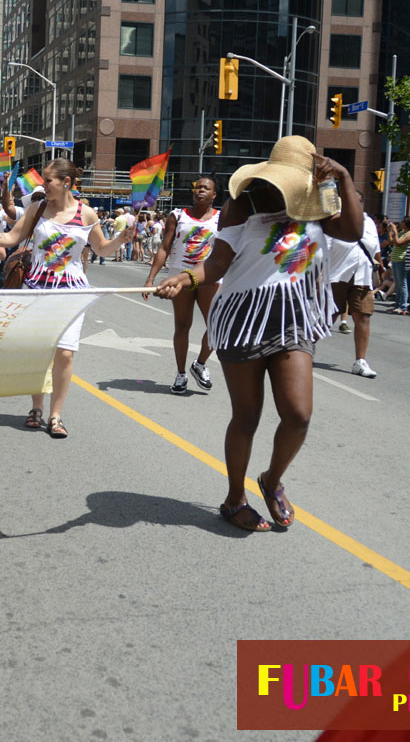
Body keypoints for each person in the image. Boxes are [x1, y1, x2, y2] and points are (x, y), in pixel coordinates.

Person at [154, 137, 362, 532]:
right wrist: (184, 277)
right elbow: (216, 263)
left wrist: (346, 178)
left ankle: (271, 479)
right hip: (243, 320)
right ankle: (234, 498)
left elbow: (351, 232)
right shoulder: (242, 205)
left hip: (294, 321)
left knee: (298, 415)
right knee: (246, 416)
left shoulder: (320, 205)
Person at [0, 158, 137, 439]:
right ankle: (36, 407)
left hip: (71, 292)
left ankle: (56, 415)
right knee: (38, 352)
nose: (44, 185)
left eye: (49, 181)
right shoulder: (38, 208)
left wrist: (121, 240)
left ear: (66, 182)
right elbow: (11, 239)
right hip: (37, 291)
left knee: (65, 354)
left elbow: (102, 249)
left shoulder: (87, 214)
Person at [143, 177, 220, 394]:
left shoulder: (222, 219)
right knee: (182, 326)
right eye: (197, 187)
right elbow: (165, 248)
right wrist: (151, 278)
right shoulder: (177, 215)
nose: (200, 190)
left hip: (208, 277)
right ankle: (180, 374)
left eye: (206, 188)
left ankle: (200, 364)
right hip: (179, 277)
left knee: (217, 327)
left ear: (214, 194)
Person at [328, 186, 381, 378]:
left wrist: (380, 268)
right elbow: (323, 249)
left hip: (362, 276)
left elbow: (375, 249)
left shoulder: (369, 223)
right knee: (328, 315)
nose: (353, 204)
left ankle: (360, 361)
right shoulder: (334, 220)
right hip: (336, 274)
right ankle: (307, 348)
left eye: (357, 201)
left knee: (363, 316)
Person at [387, 218, 410, 313]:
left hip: (401, 260)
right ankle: (397, 304)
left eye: (403, 222)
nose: (401, 223)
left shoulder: (409, 234)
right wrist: (390, 232)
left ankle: (403, 306)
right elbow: (391, 242)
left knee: (402, 283)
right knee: (397, 284)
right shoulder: (402, 232)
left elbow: (398, 243)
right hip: (395, 259)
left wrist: (395, 231)